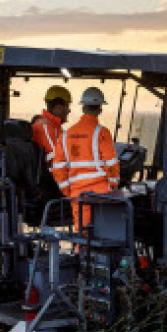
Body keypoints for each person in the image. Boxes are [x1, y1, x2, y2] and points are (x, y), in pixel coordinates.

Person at [62, 86, 119, 229]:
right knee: (103, 233)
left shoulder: (66, 134)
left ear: (83, 108)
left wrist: (68, 191)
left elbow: (58, 167)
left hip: (78, 193)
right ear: (100, 110)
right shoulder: (102, 132)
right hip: (101, 194)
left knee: (82, 232)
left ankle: (80, 250)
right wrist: (112, 185)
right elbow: (111, 164)